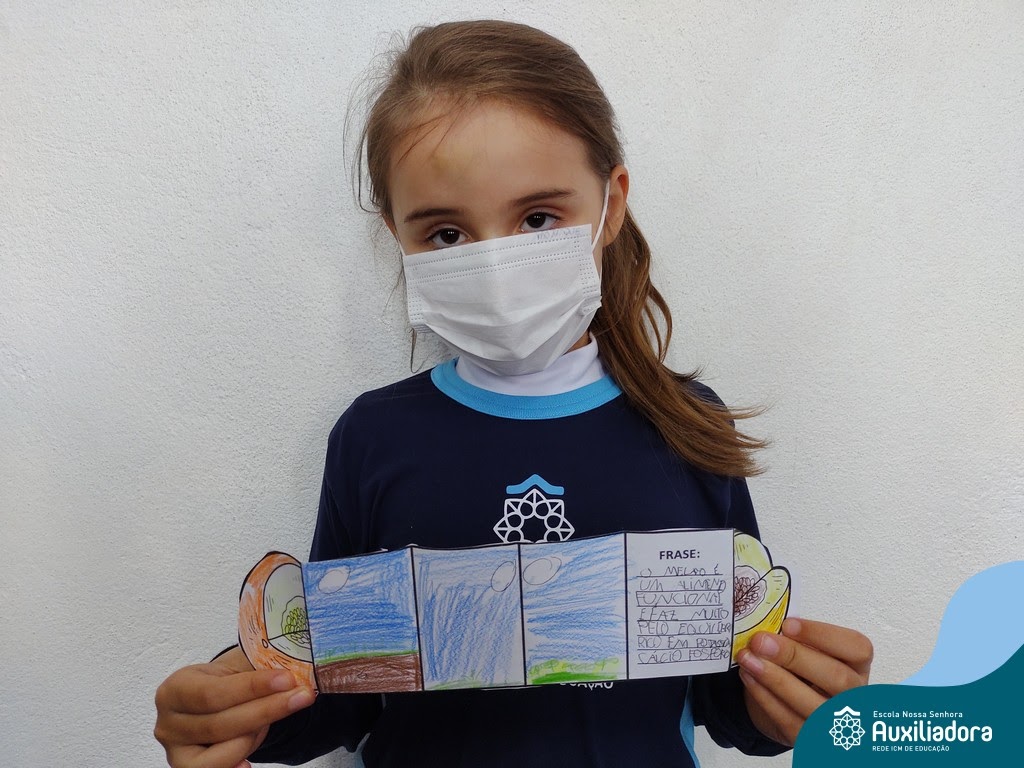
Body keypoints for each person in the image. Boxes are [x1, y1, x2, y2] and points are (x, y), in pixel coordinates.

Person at [153, 19, 873, 768]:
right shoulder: (373, 438)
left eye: (537, 218)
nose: (497, 267)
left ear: (610, 205)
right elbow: (342, 689)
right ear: (396, 233)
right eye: (446, 235)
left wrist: (791, 700)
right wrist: (237, 709)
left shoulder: (686, 425)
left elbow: (730, 695)